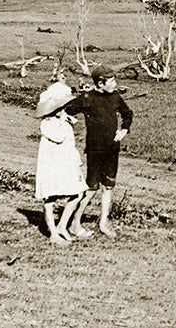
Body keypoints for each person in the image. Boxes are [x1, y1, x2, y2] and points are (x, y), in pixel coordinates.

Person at [63, 64, 133, 237]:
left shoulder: (115, 97)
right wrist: (68, 120)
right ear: (100, 83)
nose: (115, 84)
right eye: (111, 81)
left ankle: (103, 223)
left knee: (108, 186)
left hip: (112, 149)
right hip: (95, 150)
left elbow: (128, 113)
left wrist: (124, 129)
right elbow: (66, 110)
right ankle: (75, 223)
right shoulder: (87, 98)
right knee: (91, 187)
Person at [33, 76, 87, 245]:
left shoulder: (61, 121)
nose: (64, 109)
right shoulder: (48, 123)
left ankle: (62, 225)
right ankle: (53, 233)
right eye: (61, 107)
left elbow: (70, 144)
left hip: (66, 162)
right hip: (52, 165)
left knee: (78, 193)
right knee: (50, 198)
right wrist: (64, 121)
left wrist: (76, 162)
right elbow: (59, 137)